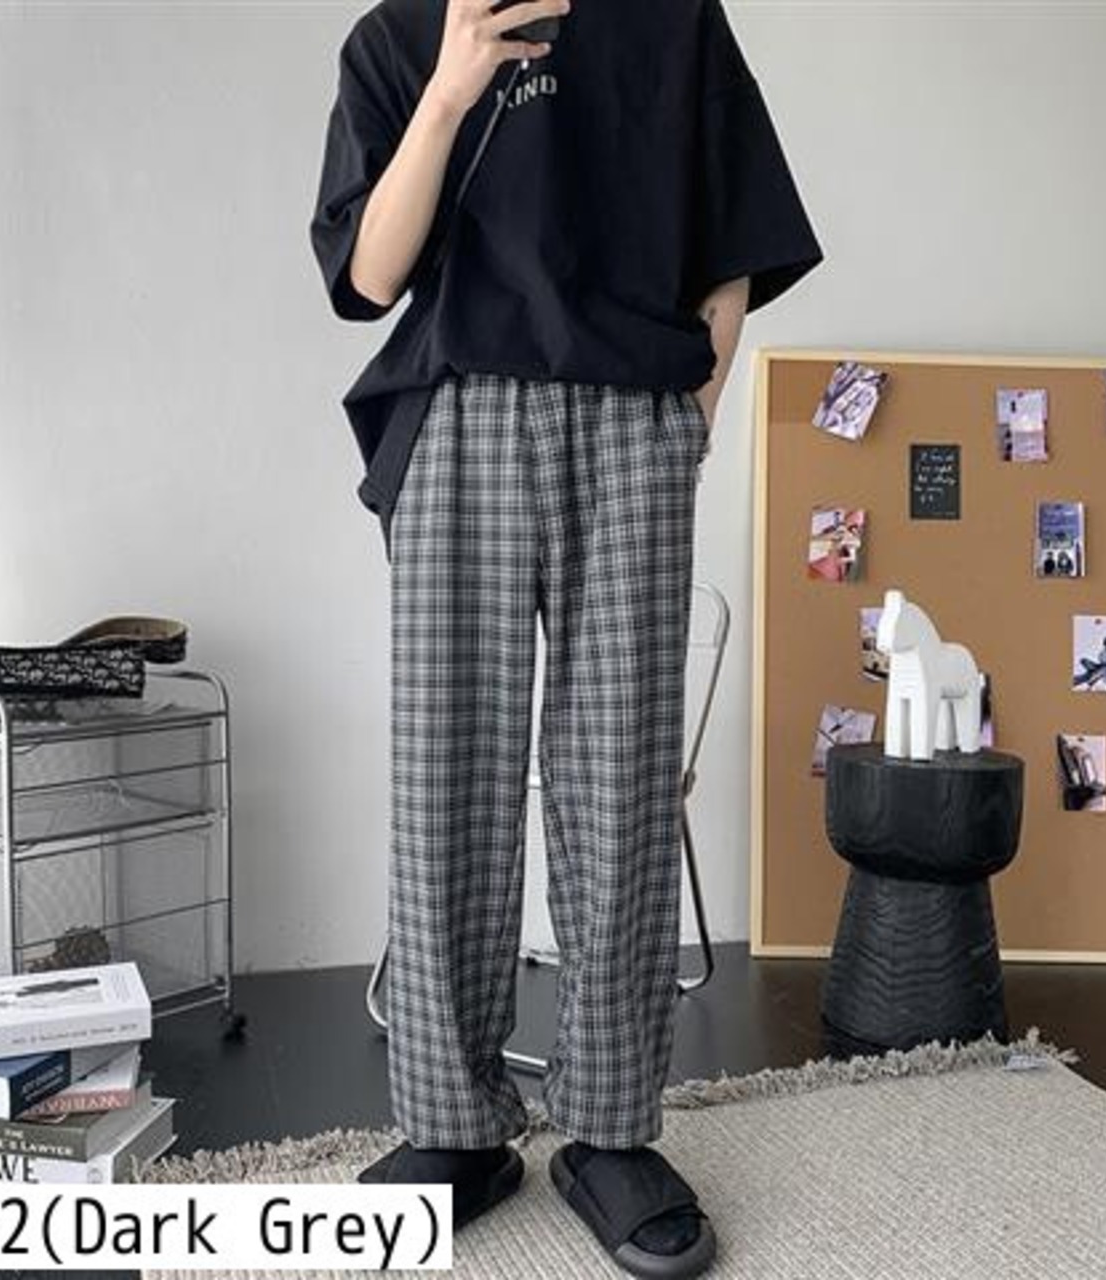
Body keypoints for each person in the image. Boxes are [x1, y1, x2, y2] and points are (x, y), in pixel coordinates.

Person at [309, 2, 823, 1275]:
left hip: (630, 418)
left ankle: (608, 1129)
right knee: (448, 780)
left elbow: (732, 233)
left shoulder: (673, 20)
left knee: (620, 780)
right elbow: (366, 278)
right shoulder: (395, 39)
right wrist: (449, 89)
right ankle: (451, 1128)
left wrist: (695, 407)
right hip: (458, 418)